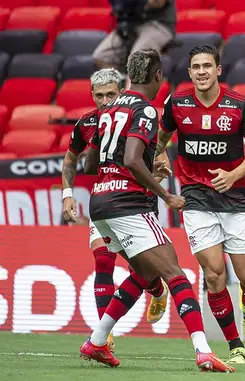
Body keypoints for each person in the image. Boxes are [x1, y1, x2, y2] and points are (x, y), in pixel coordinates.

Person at [79, 49, 233, 373]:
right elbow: (133, 159)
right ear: (158, 77)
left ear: (129, 76)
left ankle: (96, 341)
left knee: (145, 273)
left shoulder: (107, 110)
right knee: (176, 273)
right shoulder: (146, 111)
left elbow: (90, 162)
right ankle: (203, 351)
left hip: (99, 202)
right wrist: (164, 194)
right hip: (128, 204)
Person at [155, 44, 245, 364]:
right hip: (196, 199)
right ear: (190, 72)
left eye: (207, 65)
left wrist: (233, 175)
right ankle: (236, 346)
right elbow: (158, 142)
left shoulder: (239, 105)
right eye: (196, 67)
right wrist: (162, 162)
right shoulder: (176, 104)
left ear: (218, 70)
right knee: (215, 275)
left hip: (233, 199)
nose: (202, 71)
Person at [61, 68, 170, 354]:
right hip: (105, 201)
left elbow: (162, 162)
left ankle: (157, 289)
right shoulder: (86, 123)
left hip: (137, 204)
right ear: (92, 96)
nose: (105, 100)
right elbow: (71, 160)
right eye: (100, 95)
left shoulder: (139, 116)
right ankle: (103, 338)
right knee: (103, 261)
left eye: (111, 94)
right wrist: (67, 194)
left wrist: (157, 176)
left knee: (142, 270)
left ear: (121, 91)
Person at [93, 0, 176, 71]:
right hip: (130, 23)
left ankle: (133, 86)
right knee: (101, 56)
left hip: (158, 23)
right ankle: (120, 84)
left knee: (137, 59)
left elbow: (158, 2)